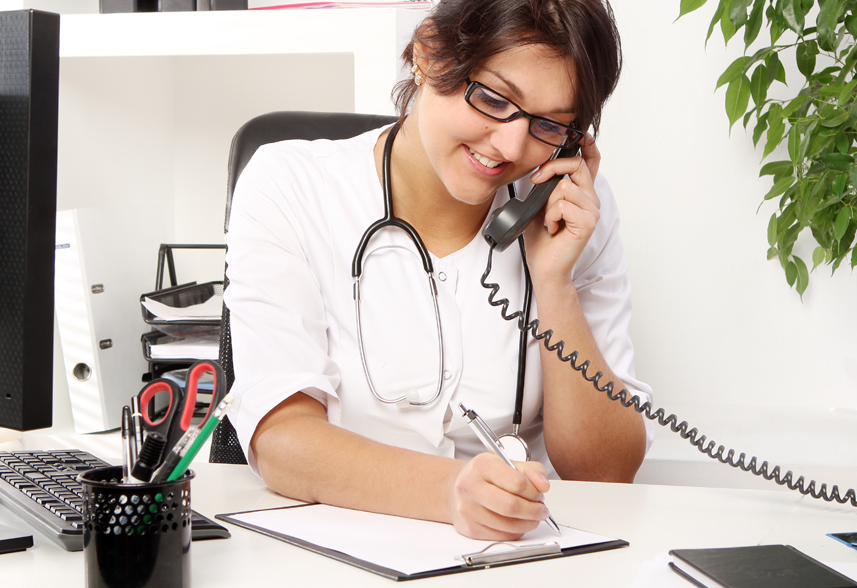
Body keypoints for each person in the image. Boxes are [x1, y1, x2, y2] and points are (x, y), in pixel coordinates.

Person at [224, 0, 654, 541]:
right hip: (340, 548)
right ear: (428, 54)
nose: (510, 147)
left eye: (549, 125)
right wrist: (452, 493)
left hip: (522, 562)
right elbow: (281, 440)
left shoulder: (571, 210)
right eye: (495, 99)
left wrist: (553, 281)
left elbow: (606, 474)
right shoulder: (289, 185)